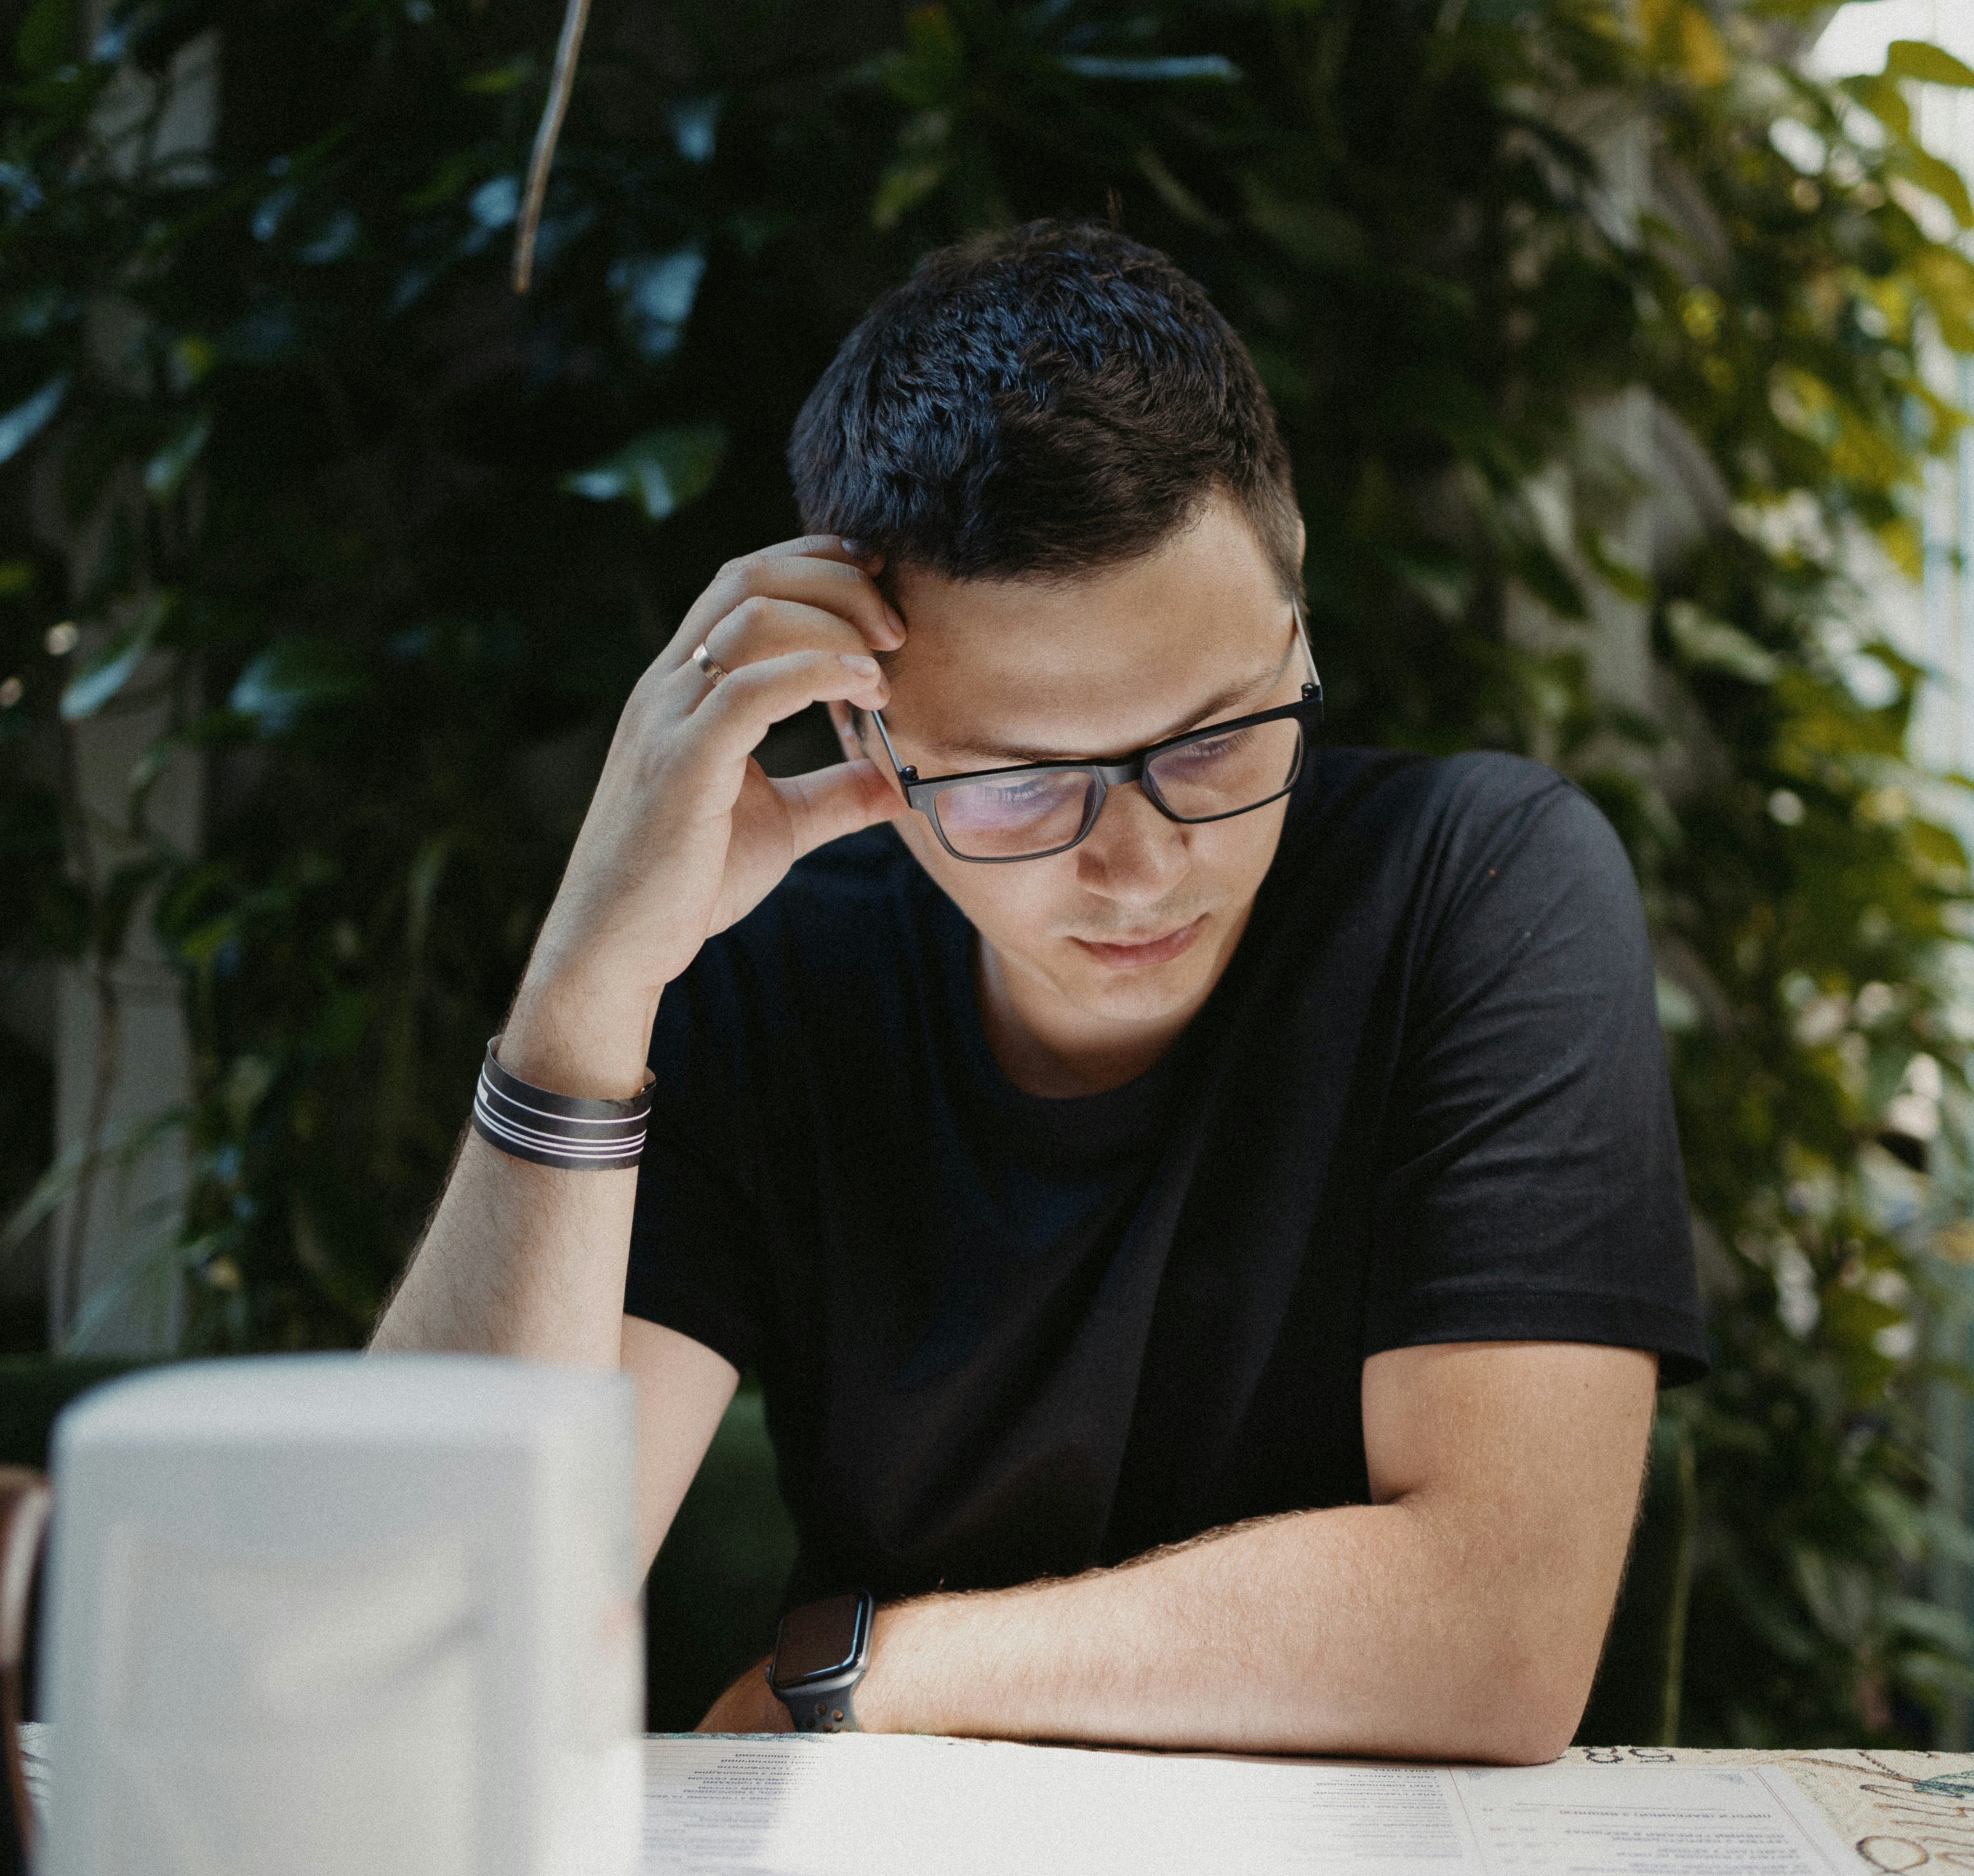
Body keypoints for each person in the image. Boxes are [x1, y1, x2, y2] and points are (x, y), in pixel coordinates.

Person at [374, 221, 1707, 1763]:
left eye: (1214, 741)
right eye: (1018, 786)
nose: (1139, 867)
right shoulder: (777, 972)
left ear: (1299, 640)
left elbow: (1494, 1640)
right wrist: (586, 988)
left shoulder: (1480, 887)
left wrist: (868, 1667)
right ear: (871, 747)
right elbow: (443, 1640)